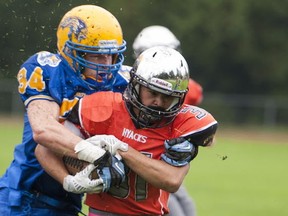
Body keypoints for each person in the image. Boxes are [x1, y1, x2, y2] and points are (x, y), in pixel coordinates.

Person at [36, 46, 218, 215]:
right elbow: (44, 149)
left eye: (167, 97)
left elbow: (171, 181)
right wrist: (68, 181)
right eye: (152, 93)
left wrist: (121, 149)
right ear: (136, 85)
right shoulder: (103, 108)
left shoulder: (181, 123)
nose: (159, 102)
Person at [0, 5, 129, 215]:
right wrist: (98, 155)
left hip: (69, 202)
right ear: (71, 52)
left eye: (111, 55)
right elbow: (44, 130)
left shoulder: (123, 82)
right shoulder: (48, 70)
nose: (106, 64)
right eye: (95, 56)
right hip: (23, 196)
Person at [132, 25, 202, 216]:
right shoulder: (132, 88)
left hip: (169, 166)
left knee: (188, 208)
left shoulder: (187, 89)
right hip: (145, 169)